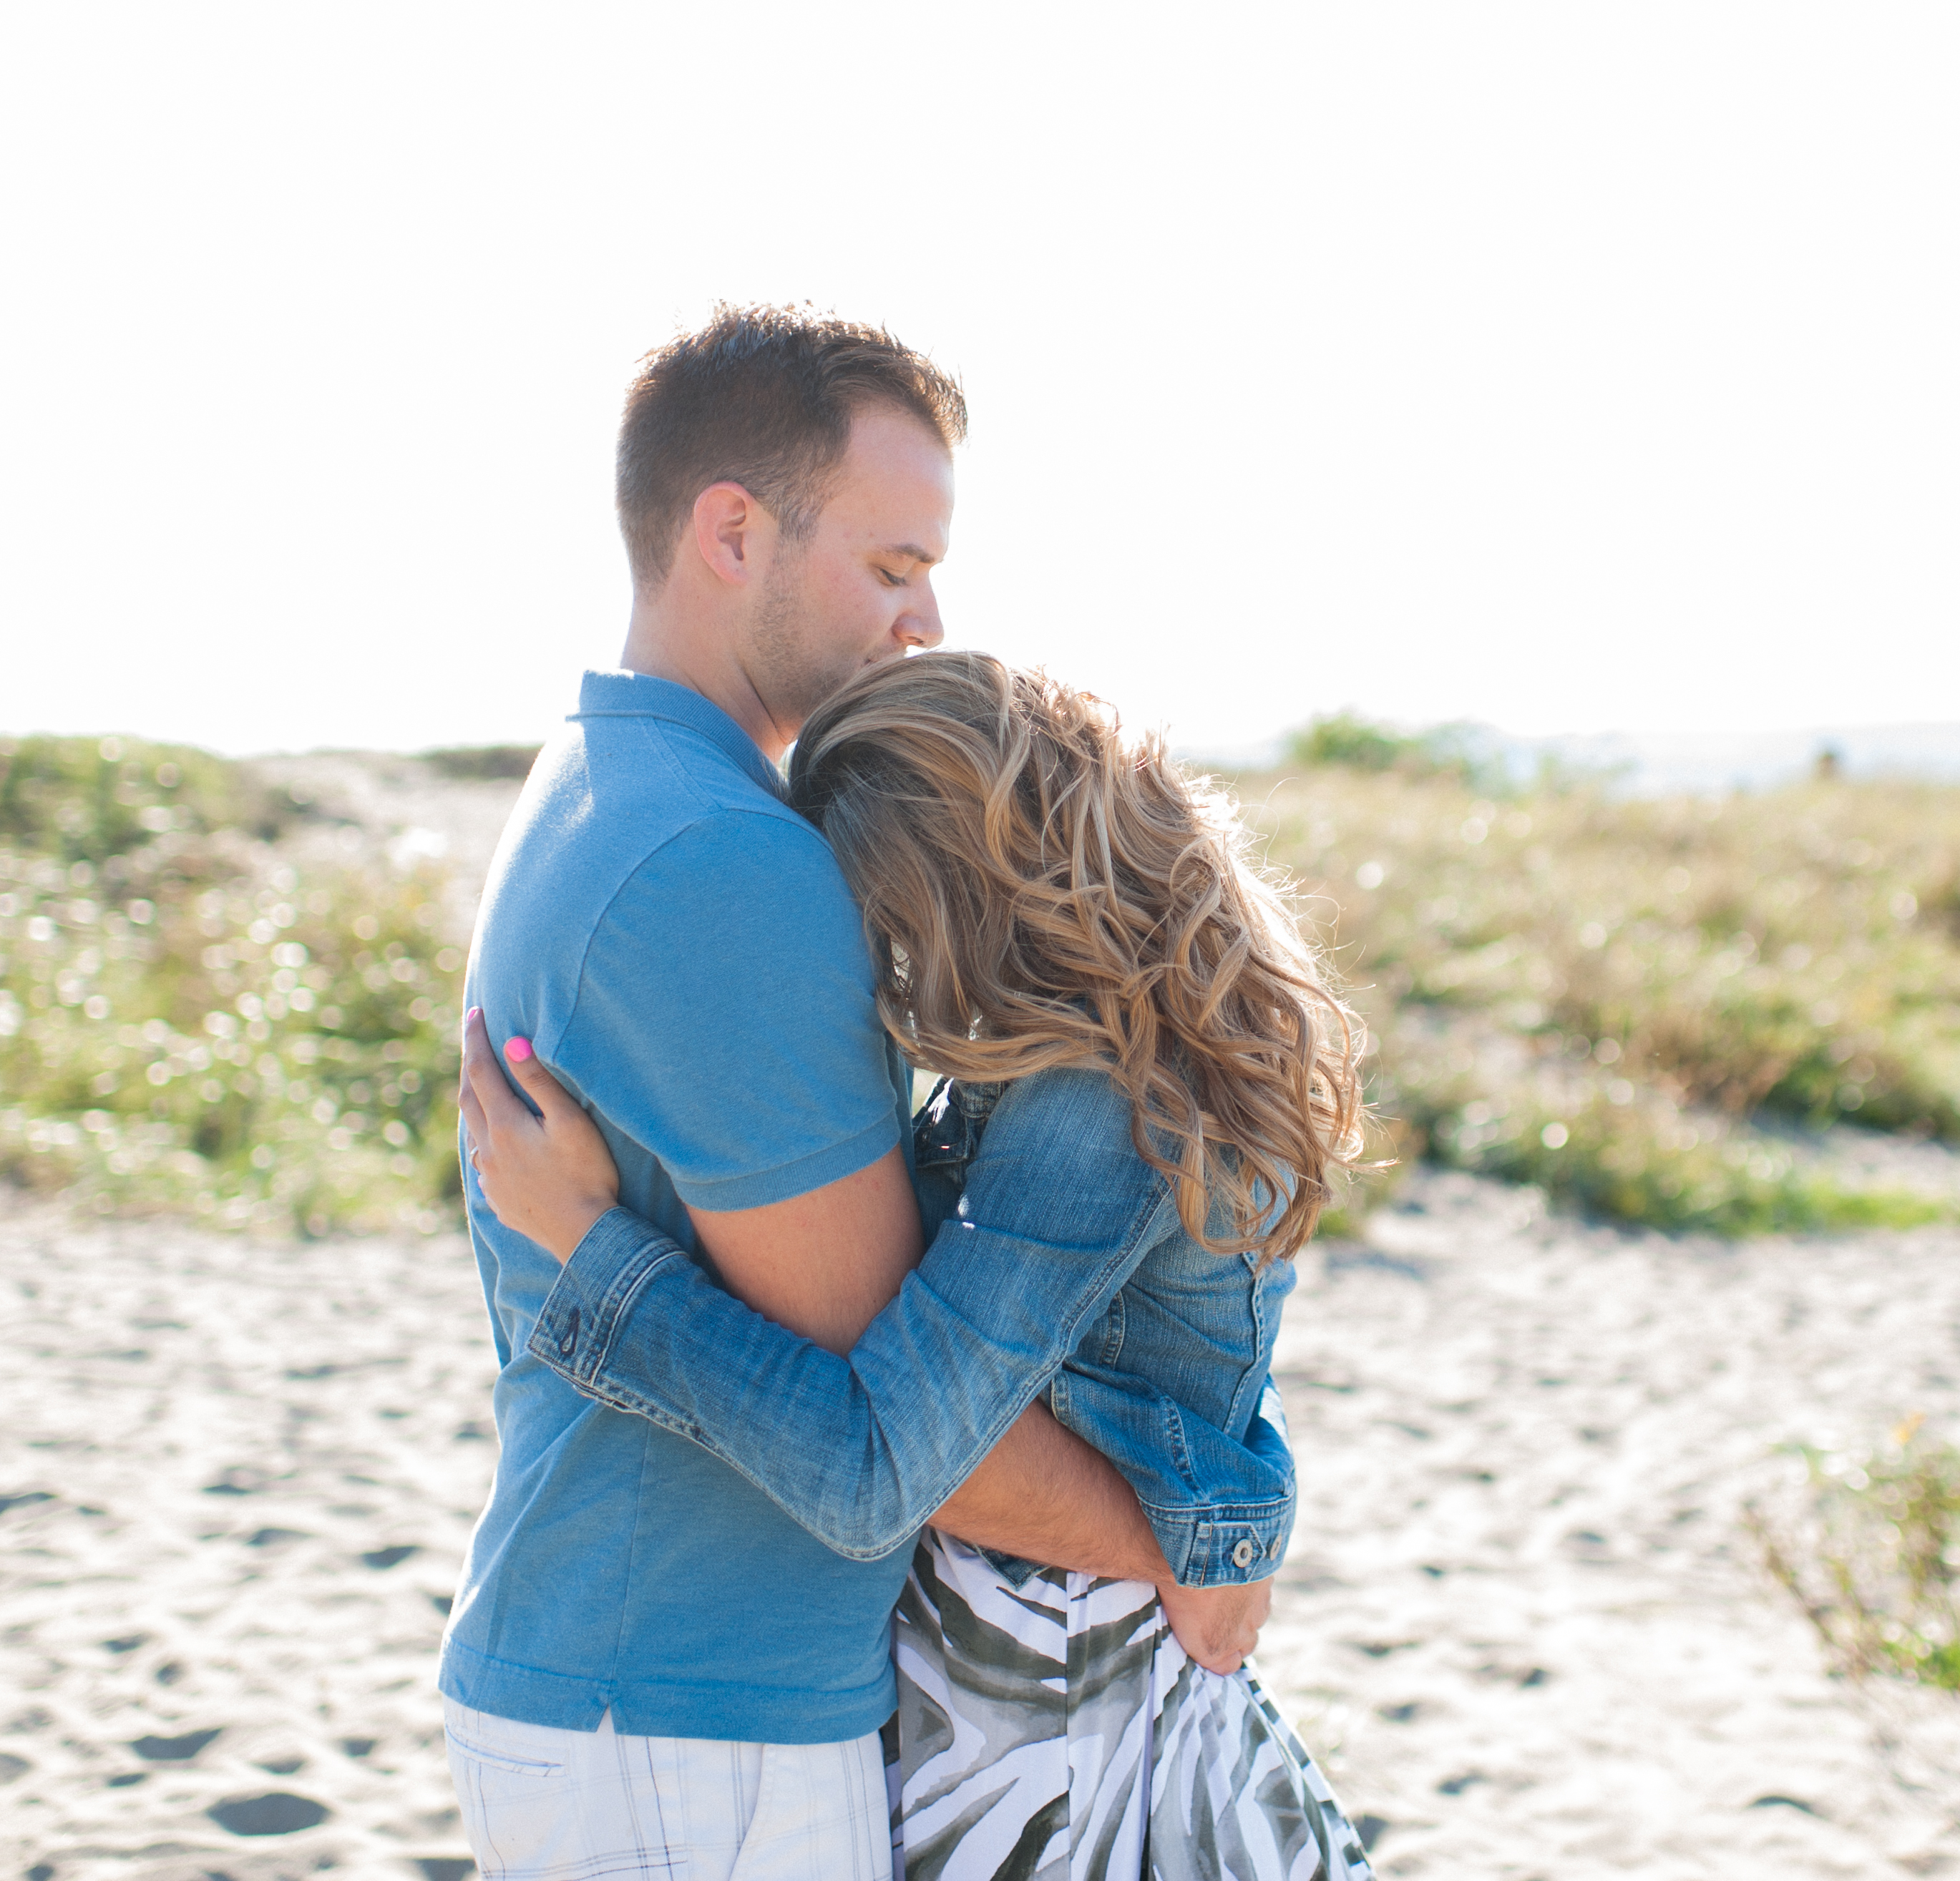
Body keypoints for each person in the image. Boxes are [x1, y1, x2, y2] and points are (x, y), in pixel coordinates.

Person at [444, 308, 1269, 1881]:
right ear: (732, 533)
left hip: (658, 1687)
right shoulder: (724, 863)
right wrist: (1203, 1550)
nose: (928, 617)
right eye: (892, 568)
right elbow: (909, 1446)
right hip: (687, 1715)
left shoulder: (612, 783)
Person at [460, 650, 1378, 1880]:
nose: (880, 972)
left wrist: (591, 1253)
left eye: (882, 918)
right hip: (1069, 1683)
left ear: (961, 885)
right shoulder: (1152, 1038)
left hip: (1048, 1714)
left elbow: (874, 1471)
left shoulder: (1095, 1105)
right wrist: (1217, 1534)